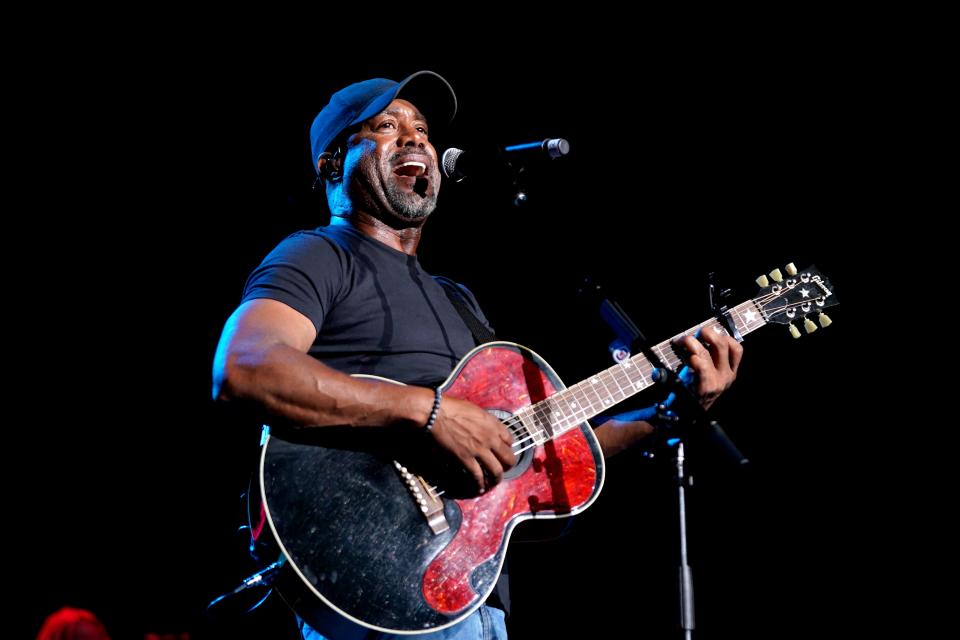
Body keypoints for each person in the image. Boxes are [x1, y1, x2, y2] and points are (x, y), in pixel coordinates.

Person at [212, 70, 742, 640]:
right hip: (371, 585)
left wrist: (666, 416)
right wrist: (430, 412)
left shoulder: (457, 299)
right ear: (331, 164)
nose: (414, 138)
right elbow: (246, 368)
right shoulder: (316, 254)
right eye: (386, 126)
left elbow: (533, 457)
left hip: (473, 598)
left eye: (423, 129)